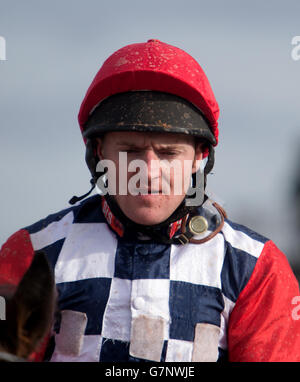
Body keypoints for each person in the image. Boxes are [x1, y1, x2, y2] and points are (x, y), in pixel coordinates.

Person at [1, 39, 300, 362]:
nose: (148, 172)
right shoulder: (33, 254)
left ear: (200, 156)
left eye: (169, 153)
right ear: (99, 152)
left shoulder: (256, 267)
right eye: (130, 150)